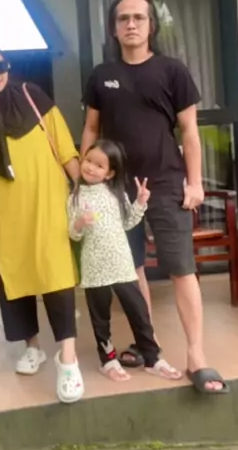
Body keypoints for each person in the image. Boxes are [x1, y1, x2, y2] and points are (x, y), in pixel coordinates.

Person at [81, 0, 229, 394]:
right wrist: (85, 180)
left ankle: (196, 355)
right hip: (116, 189)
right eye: (123, 19)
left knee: (182, 268)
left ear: (151, 26)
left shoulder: (172, 70)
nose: (131, 24)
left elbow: (190, 131)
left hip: (166, 184)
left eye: (138, 18)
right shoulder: (102, 75)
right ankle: (150, 347)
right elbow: (91, 129)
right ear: (114, 29)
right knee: (130, 270)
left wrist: (195, 182)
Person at [0, 41, 84, 404]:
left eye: (0, 66)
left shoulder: (33, 95)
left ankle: (68, 358)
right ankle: (32, 346)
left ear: (8, 67)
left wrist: (83, 188)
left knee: (56, 275)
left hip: (47, 203)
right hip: (5, 208)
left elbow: (64, 146)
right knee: (17, 277)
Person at [69, 139, 182, 382]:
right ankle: (108, 360)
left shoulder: (115, 194)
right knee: (100, 318)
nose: (90, 167)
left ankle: (152, 358)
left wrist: (140, 202)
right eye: (88, 160)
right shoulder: (75, 198)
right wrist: (79, 223)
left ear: (110, 173)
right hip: (95, 267)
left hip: (121, 264)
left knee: (138, 311)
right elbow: (73, 234)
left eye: (99, 165)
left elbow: (128, 222)